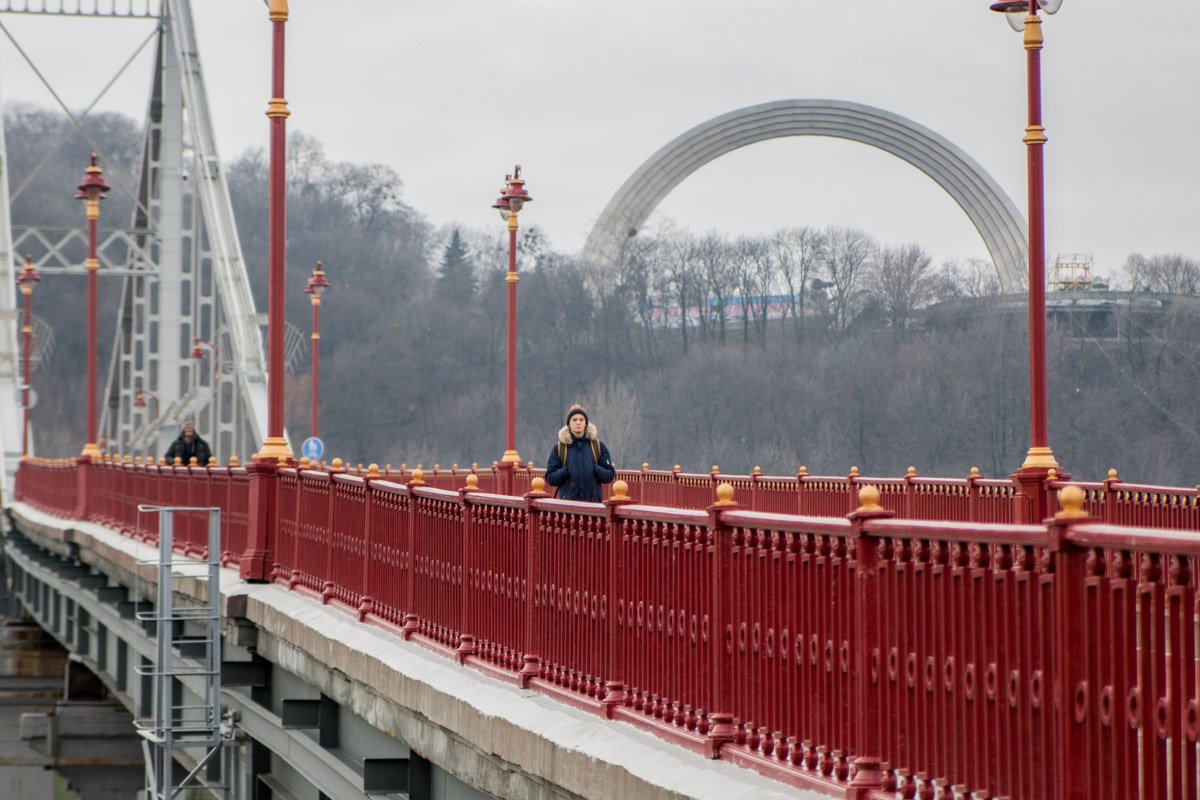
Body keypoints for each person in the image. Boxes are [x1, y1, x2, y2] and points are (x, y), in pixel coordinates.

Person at [545, 403, 615, 502]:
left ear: (586, 423)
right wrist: (566, 471)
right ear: (569, 424)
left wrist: (594, 468)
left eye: (581, 420)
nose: (578, 422)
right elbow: (550, 478)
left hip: (593, 507)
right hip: (568, 508)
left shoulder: (598, 446)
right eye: (574, 420)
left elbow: (609, 475)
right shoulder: (559, 449)